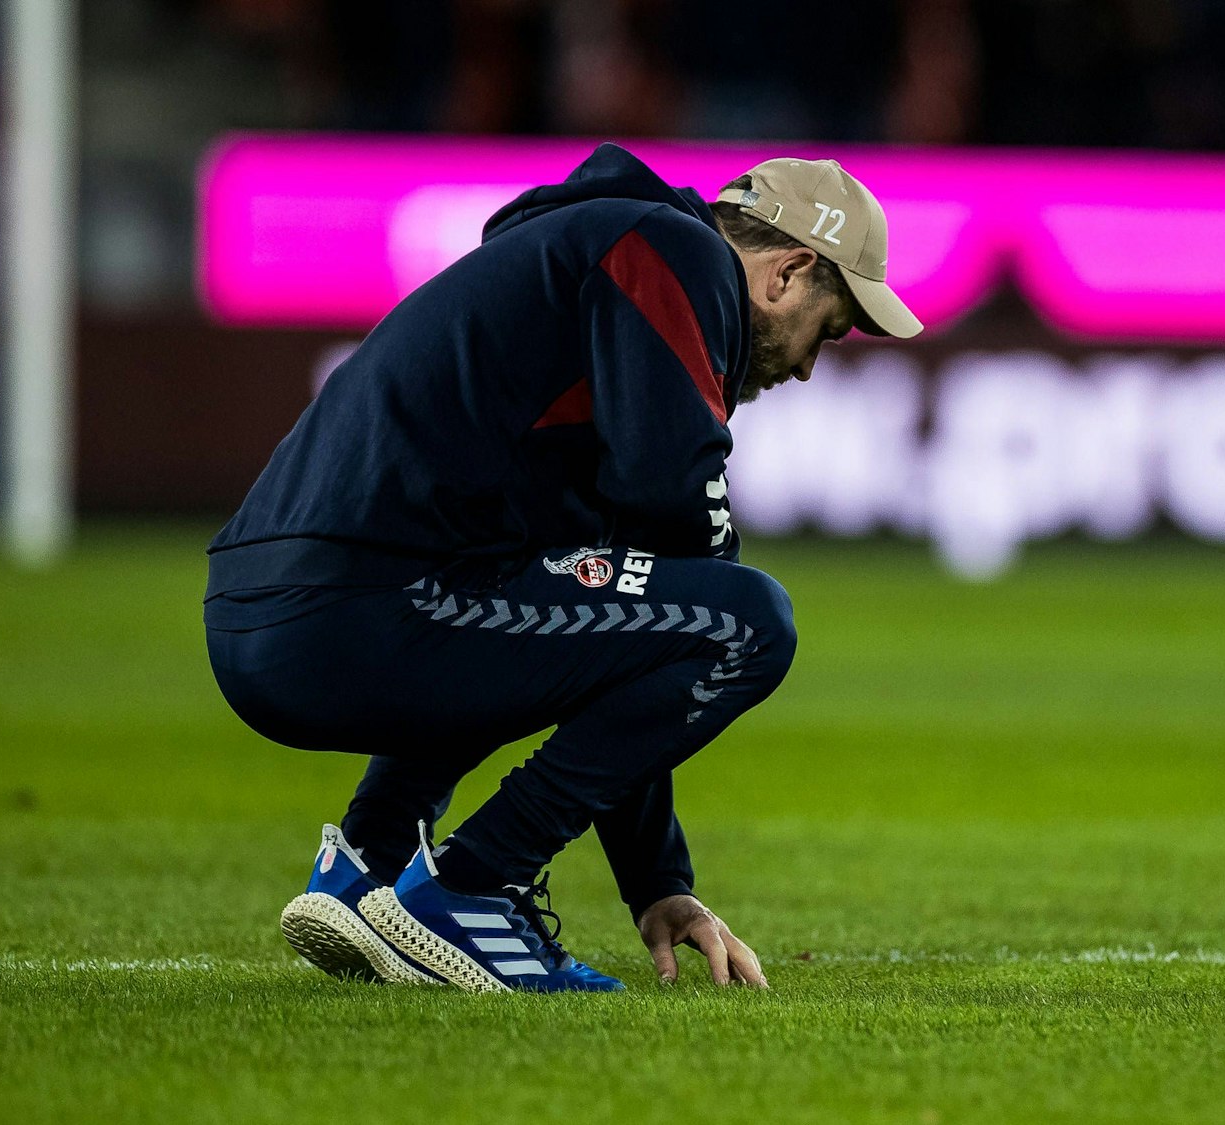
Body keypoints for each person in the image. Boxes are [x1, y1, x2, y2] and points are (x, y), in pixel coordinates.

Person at [202, 143, 922, 993]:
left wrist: (657, 880)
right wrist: (707, 568)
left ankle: (369, 867)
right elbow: (675, 526)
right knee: (751, 619)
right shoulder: (673, 250)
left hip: (268, 611)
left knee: (560, 606)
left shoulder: (586, 266)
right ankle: (471, 885)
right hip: (359, 605)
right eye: (827, 329)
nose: (806, 365)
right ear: (786, 273)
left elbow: (616, 635)